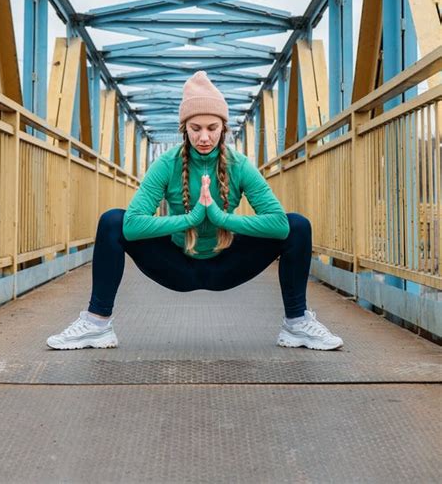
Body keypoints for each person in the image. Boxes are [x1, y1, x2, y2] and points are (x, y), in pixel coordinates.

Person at [47, 71, 343, 351]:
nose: (204, 137)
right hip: (177, 266)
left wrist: (219, 218)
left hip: (228, 265)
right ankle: (97, 323)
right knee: (112, 220)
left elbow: (279, 225)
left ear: (224, 128)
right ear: (184, 129)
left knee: (298, 225)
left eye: (212, 128)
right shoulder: (167, 163)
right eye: (195, 128)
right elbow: (132, 226)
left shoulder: (239, 165)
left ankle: (297, 323)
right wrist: (189, 219)